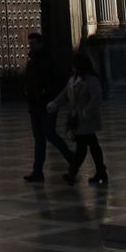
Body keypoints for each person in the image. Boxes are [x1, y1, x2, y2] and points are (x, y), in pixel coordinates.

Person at [48, 51, 107, 185]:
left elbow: (96, 98)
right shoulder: (72, 80)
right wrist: (54, 104)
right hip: (77, 118)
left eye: (74, 65)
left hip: (88, 119)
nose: (72, 68)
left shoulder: (91, 80)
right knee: (93, 146)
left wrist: (87, 112)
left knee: (82, 148)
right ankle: (100, 171)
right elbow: (64, 94)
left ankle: (72, 173)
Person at [22, 32, 73, 182]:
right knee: (39, 139)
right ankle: (37, 172)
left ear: (41, 44)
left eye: (33, 44)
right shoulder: (31, 61)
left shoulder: (49, 60)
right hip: (34, 105)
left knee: (50, 134)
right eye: (30, 44)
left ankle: (72, 158)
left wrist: (51, 98)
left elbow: (58, 81)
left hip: (47, 105)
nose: (31, 46)